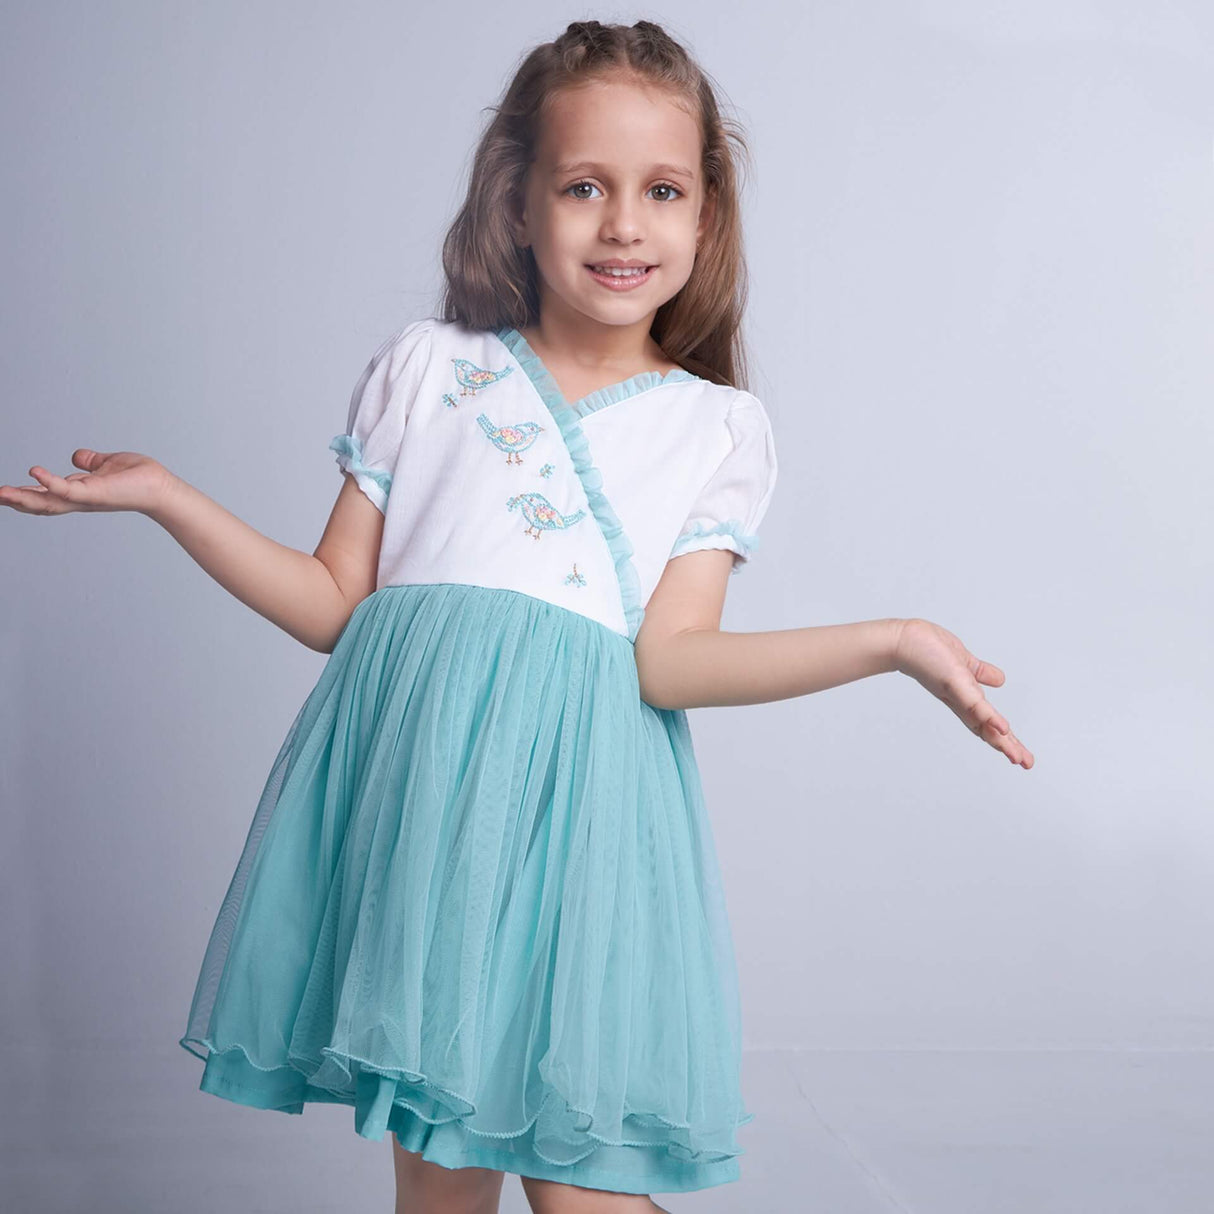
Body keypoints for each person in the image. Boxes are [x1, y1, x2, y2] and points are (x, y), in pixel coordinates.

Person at [0, 17, 1033, 1214]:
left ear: (705, 217)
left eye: (661, 190)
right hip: (421, 829)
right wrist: (168, 497)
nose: (621, 223)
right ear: (518, 202)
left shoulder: (712, 428)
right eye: (583, 186)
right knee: (438, 1180)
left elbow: (671, 662)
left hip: (573, 841)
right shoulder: (429, 369)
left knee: (573, 1187)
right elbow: (334, 603)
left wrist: (895, 644)